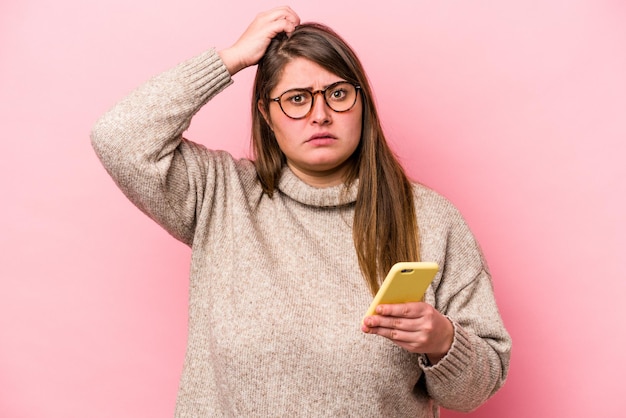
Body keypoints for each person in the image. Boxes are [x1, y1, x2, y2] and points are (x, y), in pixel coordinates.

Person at [91, 6, 511, 417]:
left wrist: (443, 341)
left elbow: (478, 387)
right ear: (267, 115)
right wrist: (231, 59)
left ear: (363, 103)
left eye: (338, 94)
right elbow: (118, 137)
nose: (321, 114)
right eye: (296, 99)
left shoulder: (431, 220)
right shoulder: (220, 194)